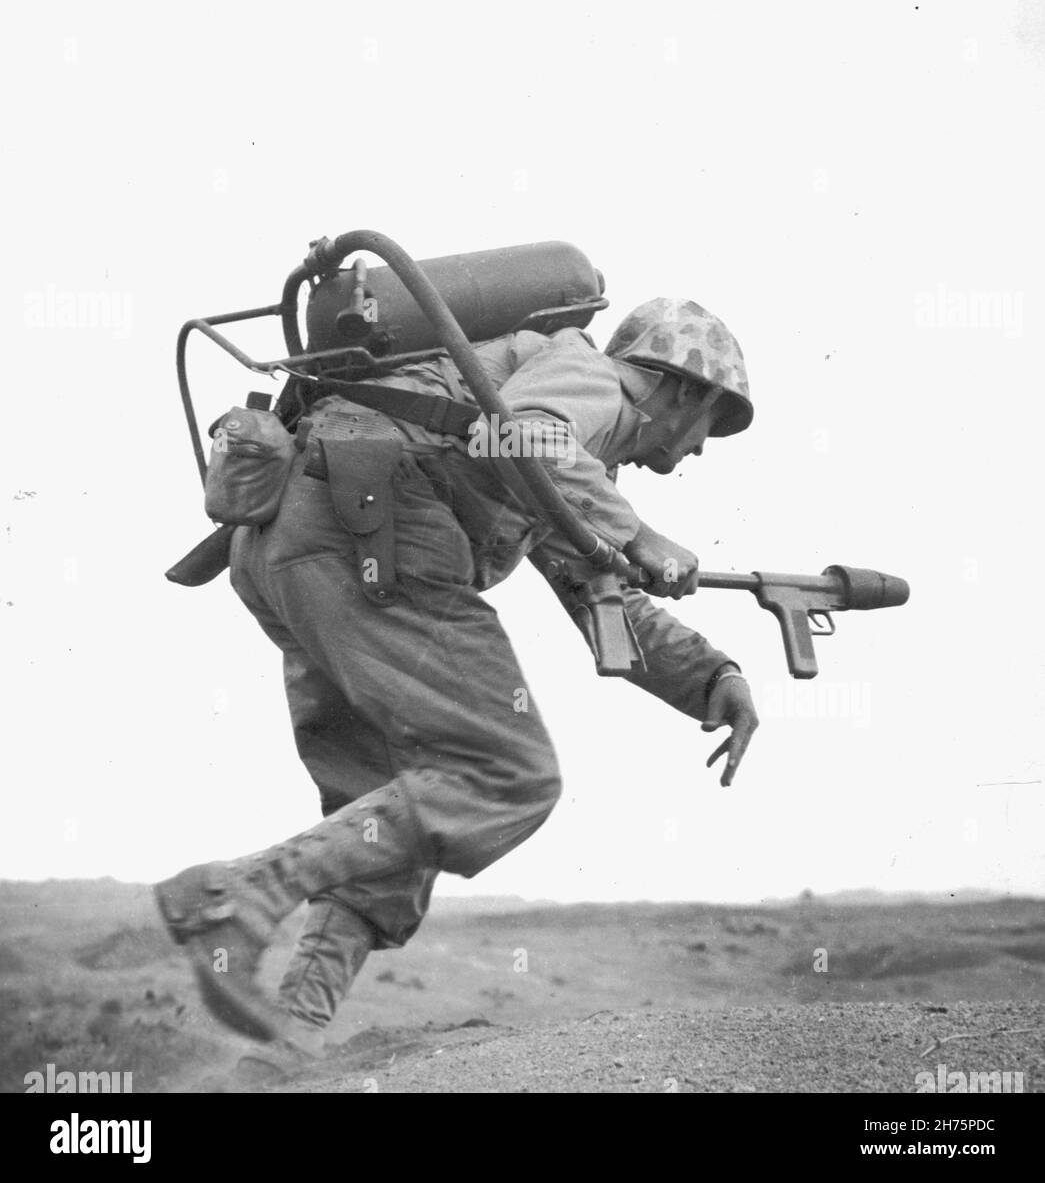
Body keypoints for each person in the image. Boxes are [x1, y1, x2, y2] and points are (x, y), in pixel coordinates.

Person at [155, 296, 762, 1072]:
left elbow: (591, 584)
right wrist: (637, 531)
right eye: (714, 421)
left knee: (388, 809)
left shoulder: (573, 455)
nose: (702, 449)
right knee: (504, 773)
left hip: (297, 542)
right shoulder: (597, 379)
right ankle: (235, 899)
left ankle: (281, 1049)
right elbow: (525, 437)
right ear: (685, 390)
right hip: (373, 529)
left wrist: (713, 678)